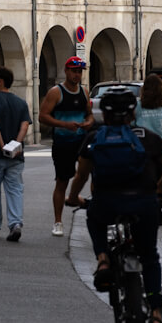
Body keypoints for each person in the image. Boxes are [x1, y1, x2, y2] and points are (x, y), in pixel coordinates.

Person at [66, 87, 162, 323]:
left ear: (104, 114)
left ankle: (104, 260)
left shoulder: (94, 138)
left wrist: (73, 198)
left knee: (94, 220)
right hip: (144, 203)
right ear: (133, 113)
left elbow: (81, 176)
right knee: (149, 257)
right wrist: (160, 187)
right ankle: (154, 315)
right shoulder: (147, 137)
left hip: (107, 202)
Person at [38, 56, 94, 237]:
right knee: (62, 181)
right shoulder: (56, 92)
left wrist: (88, 123)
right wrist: (64, 125)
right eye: (74, 71)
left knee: (93, 173)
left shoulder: (85, 92)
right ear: (66, 71)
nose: (77, 75)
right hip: (62, 143)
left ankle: (94, 211)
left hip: (82, 141)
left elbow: (90, 115)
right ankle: (58, 222)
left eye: (80, 72)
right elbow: (42, 116)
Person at [0, 66, 32, 242]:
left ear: (0, 81)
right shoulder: (21, 103)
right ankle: (15, 224)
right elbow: (24, 126)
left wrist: (3, 146)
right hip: (17, 156)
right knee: (15, 189)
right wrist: (15, 145)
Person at [134, 73, 162, 224]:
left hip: (143, 149)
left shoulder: (139, 105)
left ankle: (151, 210)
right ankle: (157, 210)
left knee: (146, 182)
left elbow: (133, 125)